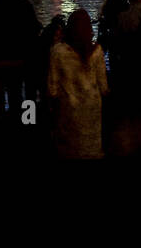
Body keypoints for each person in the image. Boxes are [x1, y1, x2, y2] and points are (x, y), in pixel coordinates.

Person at [45, 9, 109, 158]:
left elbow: (52, 90)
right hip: (92, 113)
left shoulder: (58, 52)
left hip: (68, 114)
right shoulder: (97, 51)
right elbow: (104, 87)